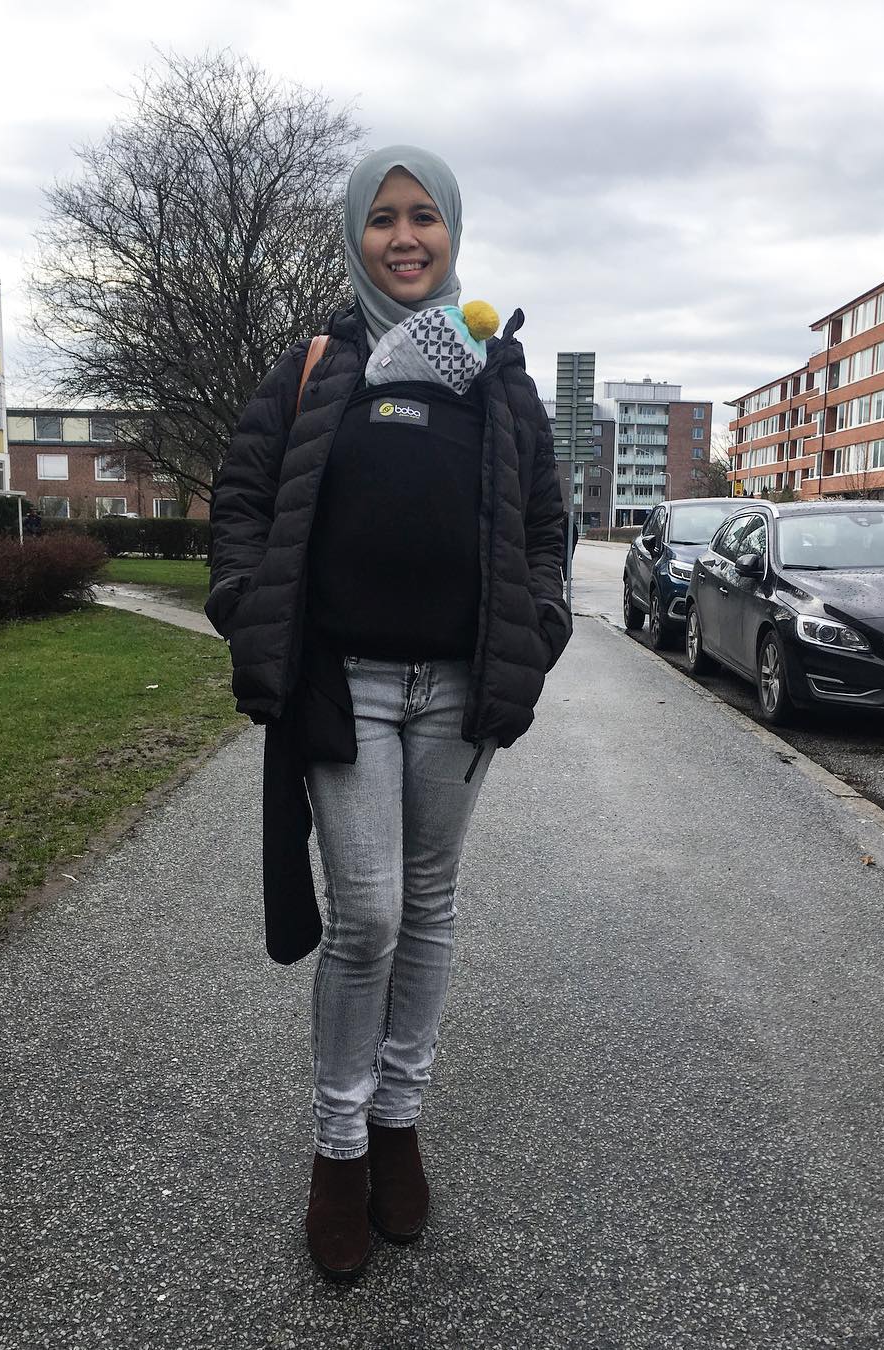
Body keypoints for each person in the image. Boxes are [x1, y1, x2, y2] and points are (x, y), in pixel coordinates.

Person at [206, 146, 572, 1280]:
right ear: (354, 236)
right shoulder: (317, 364)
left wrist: (542, 622)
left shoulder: (498, 374)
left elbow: (545, 523)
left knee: (429, 906)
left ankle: (399, 1121)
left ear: (451, 230)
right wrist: (245, 605)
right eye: (382, 219)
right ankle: (339, 1146)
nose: (404, 237)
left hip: (459, 691)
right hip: (345, 684)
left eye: (423, 217)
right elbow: (242, 497)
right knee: (367, 916)